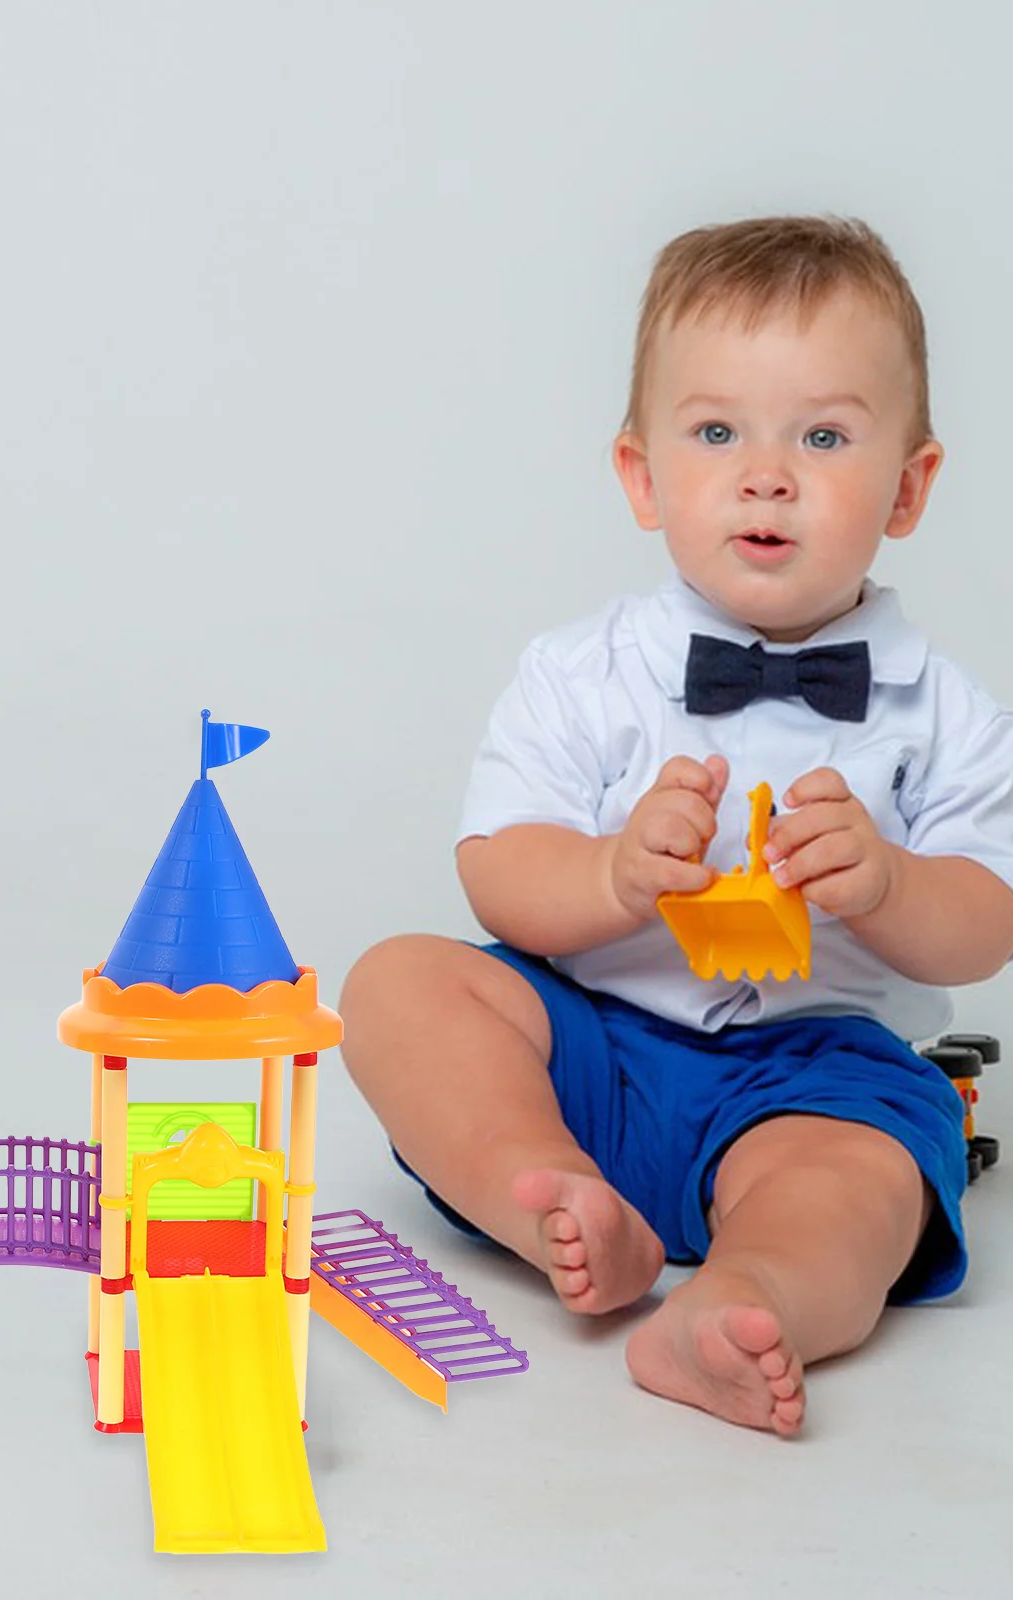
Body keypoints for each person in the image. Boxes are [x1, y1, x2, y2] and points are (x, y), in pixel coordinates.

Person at [339, 215, 1013, 1436]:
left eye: (821, 435)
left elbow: (984, 928)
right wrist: (606, 873)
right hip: (592, 1046)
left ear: (908, 487)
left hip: (809, 1077)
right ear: (642, 474)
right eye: (716, 432)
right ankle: (545, 1187)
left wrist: (888, 885)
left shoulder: (944, 711)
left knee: (863, 1177)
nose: (766, 473)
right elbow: (498, 868)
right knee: (400, 985)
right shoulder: (580, 672)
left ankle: (746, 1302)